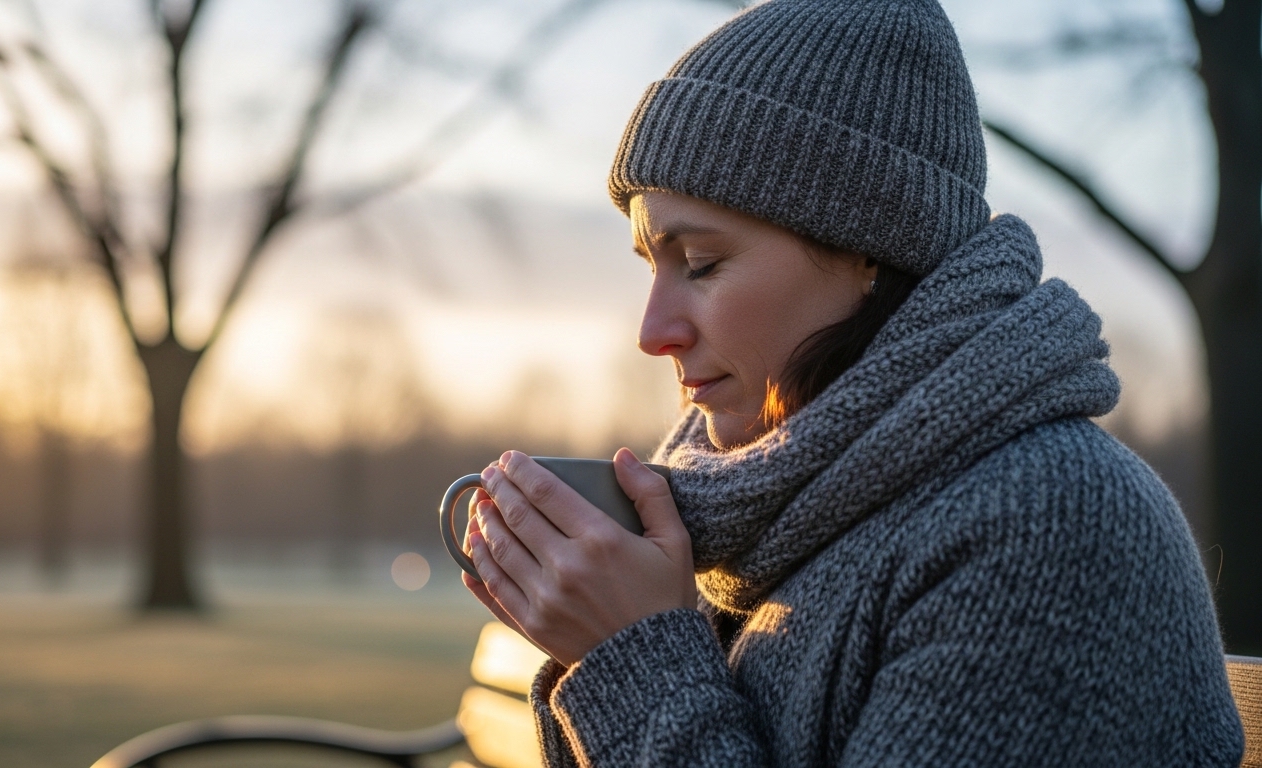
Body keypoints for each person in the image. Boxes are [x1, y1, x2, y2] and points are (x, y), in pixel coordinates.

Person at [459, 0, 1245, 764]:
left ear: (868, 248)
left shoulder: (1051, 527)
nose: (653, 331)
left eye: (700, 264)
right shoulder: (755, 521)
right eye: (651, 267)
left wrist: (631, 658)